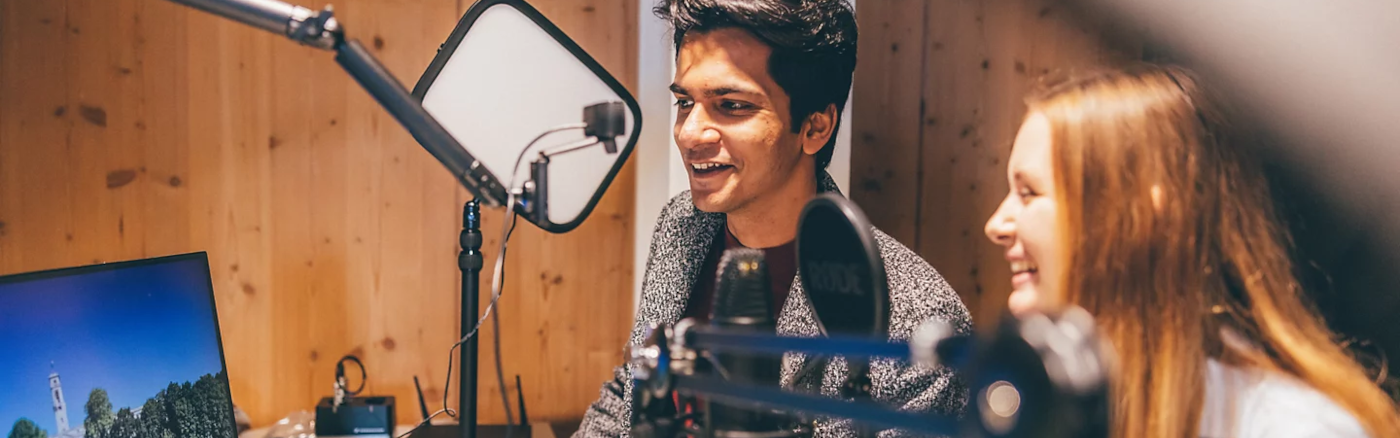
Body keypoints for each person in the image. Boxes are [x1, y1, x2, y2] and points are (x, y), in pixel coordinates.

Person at [575, 0, 972, 436]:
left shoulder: (918, 324)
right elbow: (632, 391)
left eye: (731, 105)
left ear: (815, 127)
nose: (689, 133)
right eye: (685, 102)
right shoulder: (680, 226)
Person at [984, 64, 1400, 438]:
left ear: (1142, 215)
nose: (995, 225)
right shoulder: (1055, 408)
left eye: (1028, 192)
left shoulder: (1294, 427)